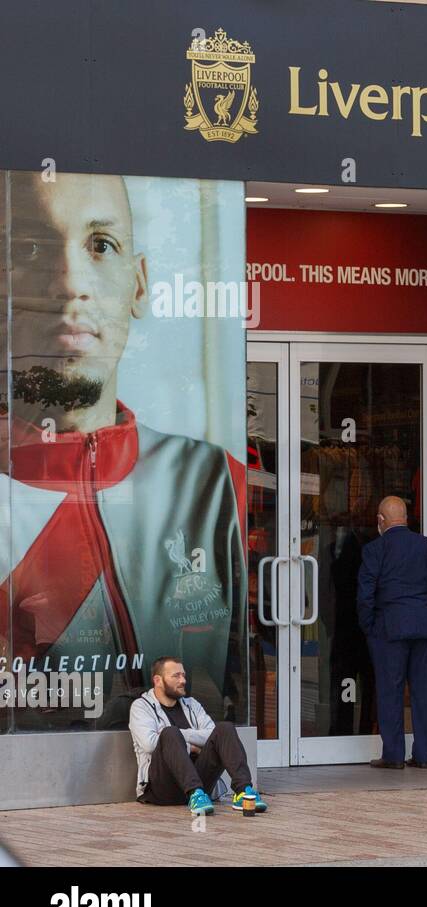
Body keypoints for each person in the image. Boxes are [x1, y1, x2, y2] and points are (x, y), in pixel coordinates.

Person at [0, 171, 246, 725]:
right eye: (33, 248)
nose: (69, 283)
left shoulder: (214, 483)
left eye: (100, 245)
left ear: (138, 284)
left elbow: (237, 668)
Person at [357, 496, 427, 768]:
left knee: (391, 690)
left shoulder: (375, 549)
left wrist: (369, 627)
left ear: (381, 520)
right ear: (407, 518)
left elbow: (366, 595)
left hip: (389, 628)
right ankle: (423, 756)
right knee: (423, 692)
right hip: (425, 628)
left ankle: (394, 755)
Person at [128, 657, 265, 816]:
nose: (183, 680)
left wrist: (182, 736)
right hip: (162, 788)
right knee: (170, 733)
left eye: (184, 675)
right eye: (176, 676)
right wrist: (191, 746)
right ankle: (195, 794)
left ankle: (243, 792)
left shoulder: (191, 704)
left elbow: (212, 734)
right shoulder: (141, 707)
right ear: (158, 680)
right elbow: (150, 744)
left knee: (224, 728)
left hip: (202, 785)